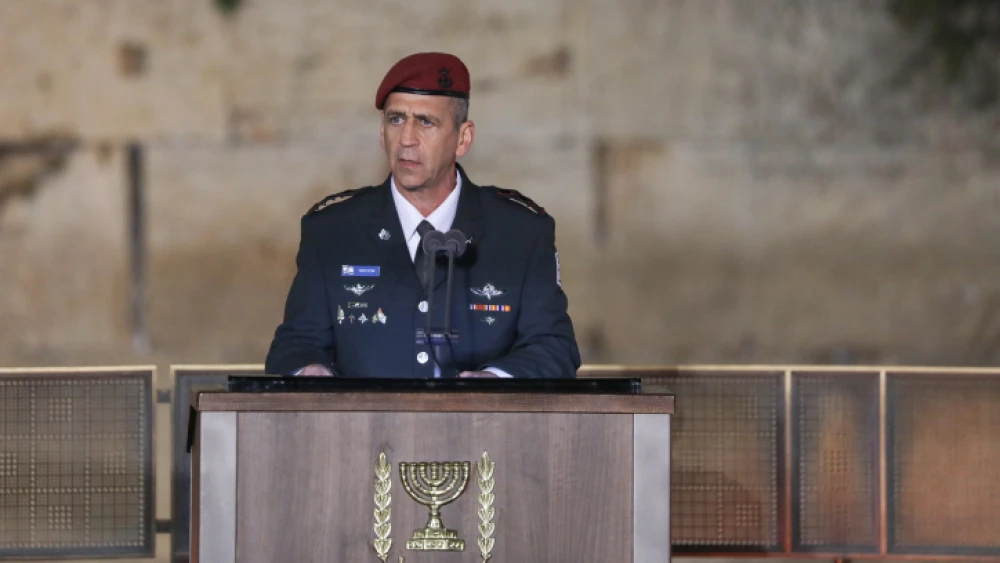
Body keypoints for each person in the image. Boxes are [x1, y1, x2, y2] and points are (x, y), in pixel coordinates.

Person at [264, 52, 580, 379]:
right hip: (364, 415)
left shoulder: (521, 233)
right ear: (381, 132)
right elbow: (295, 344)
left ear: (463, 139)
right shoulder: (332, 231)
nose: (407, 139)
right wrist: (310, 370)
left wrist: (493, 383)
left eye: (426, 122)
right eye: (396, 119)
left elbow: (554, 347)